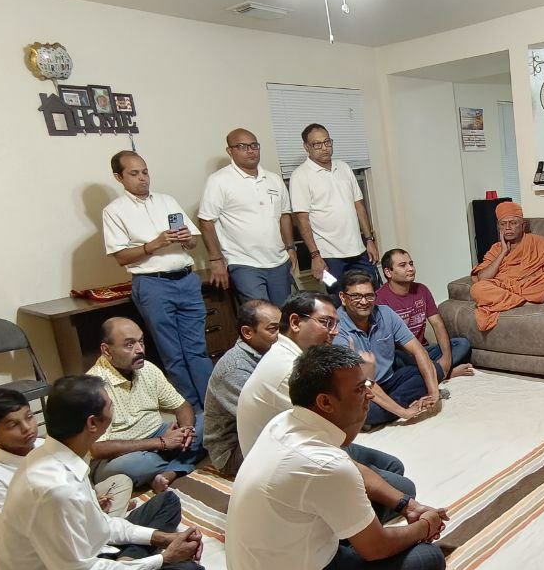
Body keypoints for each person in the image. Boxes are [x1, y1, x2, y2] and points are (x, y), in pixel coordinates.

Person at [227, 344, 446, 570]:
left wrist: (407, 504)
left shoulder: (285, 421)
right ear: (325, 402)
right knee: (429, 561)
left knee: (394, 488)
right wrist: (425, 526)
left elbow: (352, 469)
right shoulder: (324, 464)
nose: (369, 394)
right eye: (359, 389)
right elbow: (376, 548)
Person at [0, 375, 207, 570]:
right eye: (110, 405)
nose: (113, 408)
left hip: (89, 560)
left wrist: (163, 538)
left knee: (167, 502)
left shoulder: (53, 454)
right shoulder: (55, 489)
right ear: (92, 423)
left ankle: (124, 564)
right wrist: (163, 559)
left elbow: (101, 525)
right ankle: (127, 567)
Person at [236, 291, 420, 513]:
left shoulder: (299, 357)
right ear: (295, 322)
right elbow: (344, 427)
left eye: (336, 324)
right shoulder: (288, 369)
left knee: (394, 466)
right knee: (404, 489)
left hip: (314, 442)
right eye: (326, 322)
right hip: (289, 467)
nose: (334, 332)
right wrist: (366, 380)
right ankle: (348, 524)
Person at [102, 150, 213, 410]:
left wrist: (188, 239)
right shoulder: (114, 211)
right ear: (119, 177)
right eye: (134, 173)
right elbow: (121, 257)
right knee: (173, 354)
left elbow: (194, 242)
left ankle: (214, 406)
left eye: (145, 172)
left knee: (197, 350)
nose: (142, 178)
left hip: (186, 279)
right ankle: (192, 411)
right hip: (153, 284)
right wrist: (154, 244)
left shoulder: (167, 201)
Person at [0, 387, 133, 553]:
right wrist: (80, 516)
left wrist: (92, 503)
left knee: (120, 482)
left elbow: (73, 484)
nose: (27, 427)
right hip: (52, 546)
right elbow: (15, 539)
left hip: (76, 521)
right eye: (13, 425)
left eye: (29, 416)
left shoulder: (44, 445)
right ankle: (105, 536)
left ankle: (105, 529)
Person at [87, 317, 204, 490]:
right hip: (120, 455)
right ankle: (178, 463)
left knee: (209, 421)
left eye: (141, 341)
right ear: (107, 350)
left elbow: (181, 405)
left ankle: (169, 471)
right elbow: (97, 449)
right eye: (129, 345)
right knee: (130, 467)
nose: (140, 350)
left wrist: (186, 431)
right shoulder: (94, 386)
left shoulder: (147, 369)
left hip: (159, 434)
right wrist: (161, 443)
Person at [198, 128, 297, 306]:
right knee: (260, 314)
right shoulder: (219, 180)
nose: (250, 150)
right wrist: (216, 259)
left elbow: (284, 215)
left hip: (278, 261)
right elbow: (206, 221)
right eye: (242, 146)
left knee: (283, 313)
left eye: (254, 145)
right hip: (244, 262)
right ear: (230, 151)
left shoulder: (273, 179)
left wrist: (290, 248)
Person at [334, 272, 442, 426]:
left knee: (434, 370)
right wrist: (404, 412)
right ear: (343, 298)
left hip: (390, 380)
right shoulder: (336, 329)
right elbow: (363, 381)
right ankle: (389, 407)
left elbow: (419, 350)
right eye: (356, 296)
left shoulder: (385, 313)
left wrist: (434, 394)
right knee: (368, 412)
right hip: (361, 389)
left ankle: (388, 405)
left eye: (369, 296)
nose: (364, 301)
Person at [289, 123, 381, 289]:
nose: (325, 148)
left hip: (359, 251)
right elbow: (302, 220)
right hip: (327, 257)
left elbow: (359, 206)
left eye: (327, 142)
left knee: (371, 291)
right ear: (306, 147)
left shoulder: (344, 167)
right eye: (317, 144)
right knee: (336, 296)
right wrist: (315, 256)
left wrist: (369, 240)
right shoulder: (300, 176)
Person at [202, 299, 282, 477]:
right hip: (232, 451)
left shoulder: (271, 352)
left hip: (256, 433)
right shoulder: (235, 368)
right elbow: (263, 420)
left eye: (281, 327)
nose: (281, 335)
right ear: (247, 332)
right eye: (273, 329)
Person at [469, 201, 544, 331]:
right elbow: (483, 278)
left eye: (513, 223)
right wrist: (503, 252)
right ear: (499, 227)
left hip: (528, 286)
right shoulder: (496, 248)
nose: (507, 228)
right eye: (503, 224)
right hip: (503, 287)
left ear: (523, 225)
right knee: (477, 289)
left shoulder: (539, 243)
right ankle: (529, 304)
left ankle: (511, 301)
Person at [377, 248, 473, 382]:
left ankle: (434, 373)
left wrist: (446, 358)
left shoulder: (422, 290)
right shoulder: (379, 299)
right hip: (401, 355)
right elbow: (384, 344)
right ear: (388, 272)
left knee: (462, 344)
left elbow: (437, 324)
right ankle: (442, 374)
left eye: (411, 263)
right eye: (403, 265)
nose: (410, 268)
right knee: (394, 361)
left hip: (424, 350)